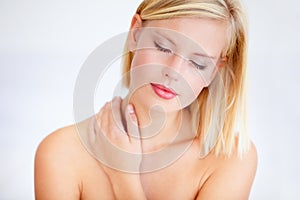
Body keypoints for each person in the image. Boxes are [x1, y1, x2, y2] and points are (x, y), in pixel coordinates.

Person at [34, 0, 257, 199]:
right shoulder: (61, 152)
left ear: (214, 71)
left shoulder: (231, 158)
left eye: (198, 63)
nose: (174, 72)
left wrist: (124, 176)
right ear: (135, 33)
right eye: (163, 47)